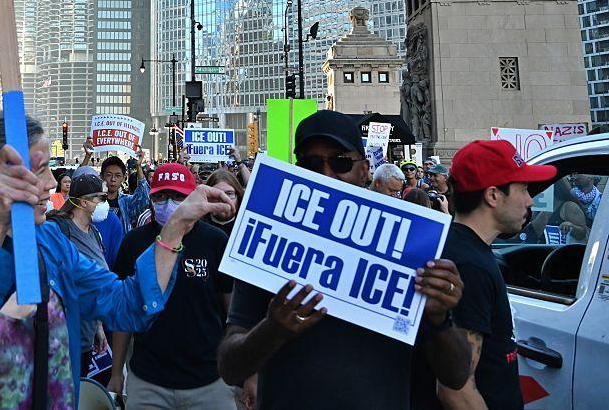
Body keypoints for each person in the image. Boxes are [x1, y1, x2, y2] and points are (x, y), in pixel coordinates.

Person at [0, 101, 234, 410]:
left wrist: (175, 228)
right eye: (41, 169)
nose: (54, 182)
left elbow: (126, 304)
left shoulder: (51, 244)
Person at [217, 111, 471, 409]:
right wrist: (273, 329)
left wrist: (439, 319)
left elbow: (455, 376)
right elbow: (229, 367)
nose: (326, 174)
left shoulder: (409, 250)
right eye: (311, 164)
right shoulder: (268, 245)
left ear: (364, 170)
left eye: (340, 162)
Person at [418, 139, 556, 410]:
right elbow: (457, 392)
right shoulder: (469, 266)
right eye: (524, 188)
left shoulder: (462, 249)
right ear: (492, 195)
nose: (530, 200)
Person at [109, 163, 234, 409]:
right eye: (161, 196)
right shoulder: (134, 242)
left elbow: (232, 312)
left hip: (209, 382)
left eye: (178, 196)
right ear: (151, 199)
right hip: (148, 383)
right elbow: (123, 314)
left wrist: (241, 370)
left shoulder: (215, 241)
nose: (169, 203)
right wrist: (116, 372)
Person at [46, 173, 112, 375]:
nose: (104, 203)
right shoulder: (59, 230)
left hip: (87, 333)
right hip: (63, 336)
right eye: (100, 198)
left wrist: (98, 326)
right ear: (83, 202)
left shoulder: (94, 232)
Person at [204, 168, 244, 237]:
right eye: (216, 194)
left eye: (229, 194)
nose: (223, 199)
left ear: (238, 196)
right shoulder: (193, 227)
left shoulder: (245, 228)